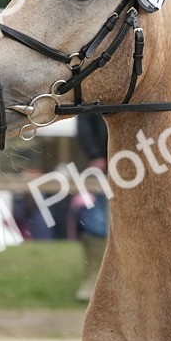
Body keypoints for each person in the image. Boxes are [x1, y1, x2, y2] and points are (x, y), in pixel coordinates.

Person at [71, 111, 109, 302]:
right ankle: (93, 282)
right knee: (96, 222)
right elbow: (85, 122)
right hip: (101, 169)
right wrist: (96, 155)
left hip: (135, 163)